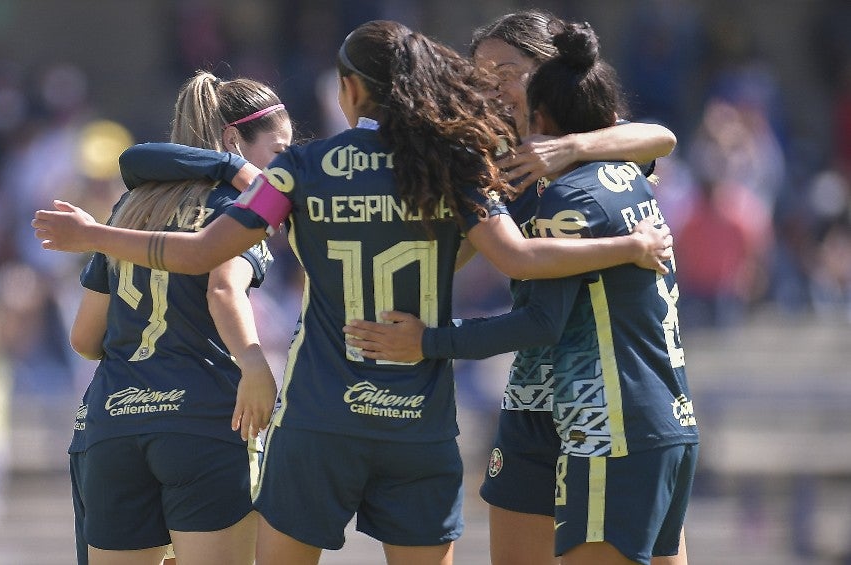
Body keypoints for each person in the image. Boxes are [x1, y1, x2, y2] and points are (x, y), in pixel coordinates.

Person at [34, 20, 673, 565]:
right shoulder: (457, 166)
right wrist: (629, 244)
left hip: (318, 419)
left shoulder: (298, 168)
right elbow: (525, 257)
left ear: (349, 90)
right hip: (417, 427)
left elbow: (203, 253)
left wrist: (97, 235)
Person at [345, 19, 698, 565]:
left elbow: (662, 138)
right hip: (536, 389)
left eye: (507, 73)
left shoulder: (588, 156)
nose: (492, 88)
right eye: (481, 76)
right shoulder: (484, 153)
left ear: (547, 75)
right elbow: (460, 258)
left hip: (604, 396)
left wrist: (568, 148)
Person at [66, 71, 290, 565]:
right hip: (206, 420)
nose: (285, 166)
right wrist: (254, 366)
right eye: (278, 151)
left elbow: (84, 338)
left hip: (114, 424)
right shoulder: (246, 206)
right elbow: (222, 290)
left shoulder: (129, 206)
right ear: (234, 141)